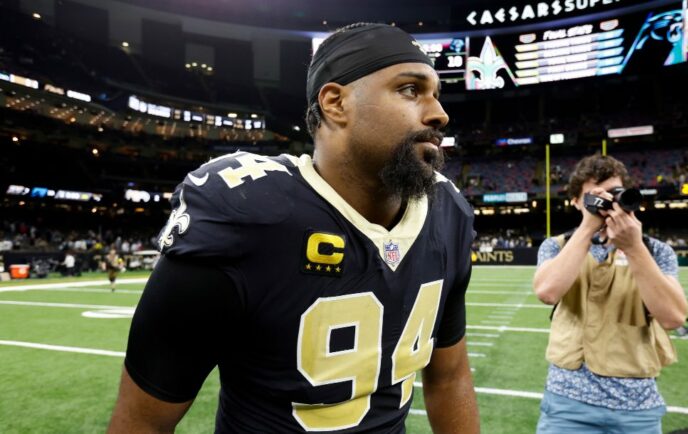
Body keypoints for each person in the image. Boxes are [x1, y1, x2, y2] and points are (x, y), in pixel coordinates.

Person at [108, 23, 479, 434]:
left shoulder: (448, 213)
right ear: (336, 103)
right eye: (410, 90)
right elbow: (144, 420)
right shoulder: (247, 213)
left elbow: (449, 378)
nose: (439, 113)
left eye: (436, 95)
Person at [533, 154, 688, 434]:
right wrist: (588, 226)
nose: (606, 204)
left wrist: (634, 248)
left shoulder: (657, 251)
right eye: (594, 196)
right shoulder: (556, 246)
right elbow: (547, 292)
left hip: (638, 406)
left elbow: (674, 317)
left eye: (614, 194)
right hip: (567, 405)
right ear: (576, 202)